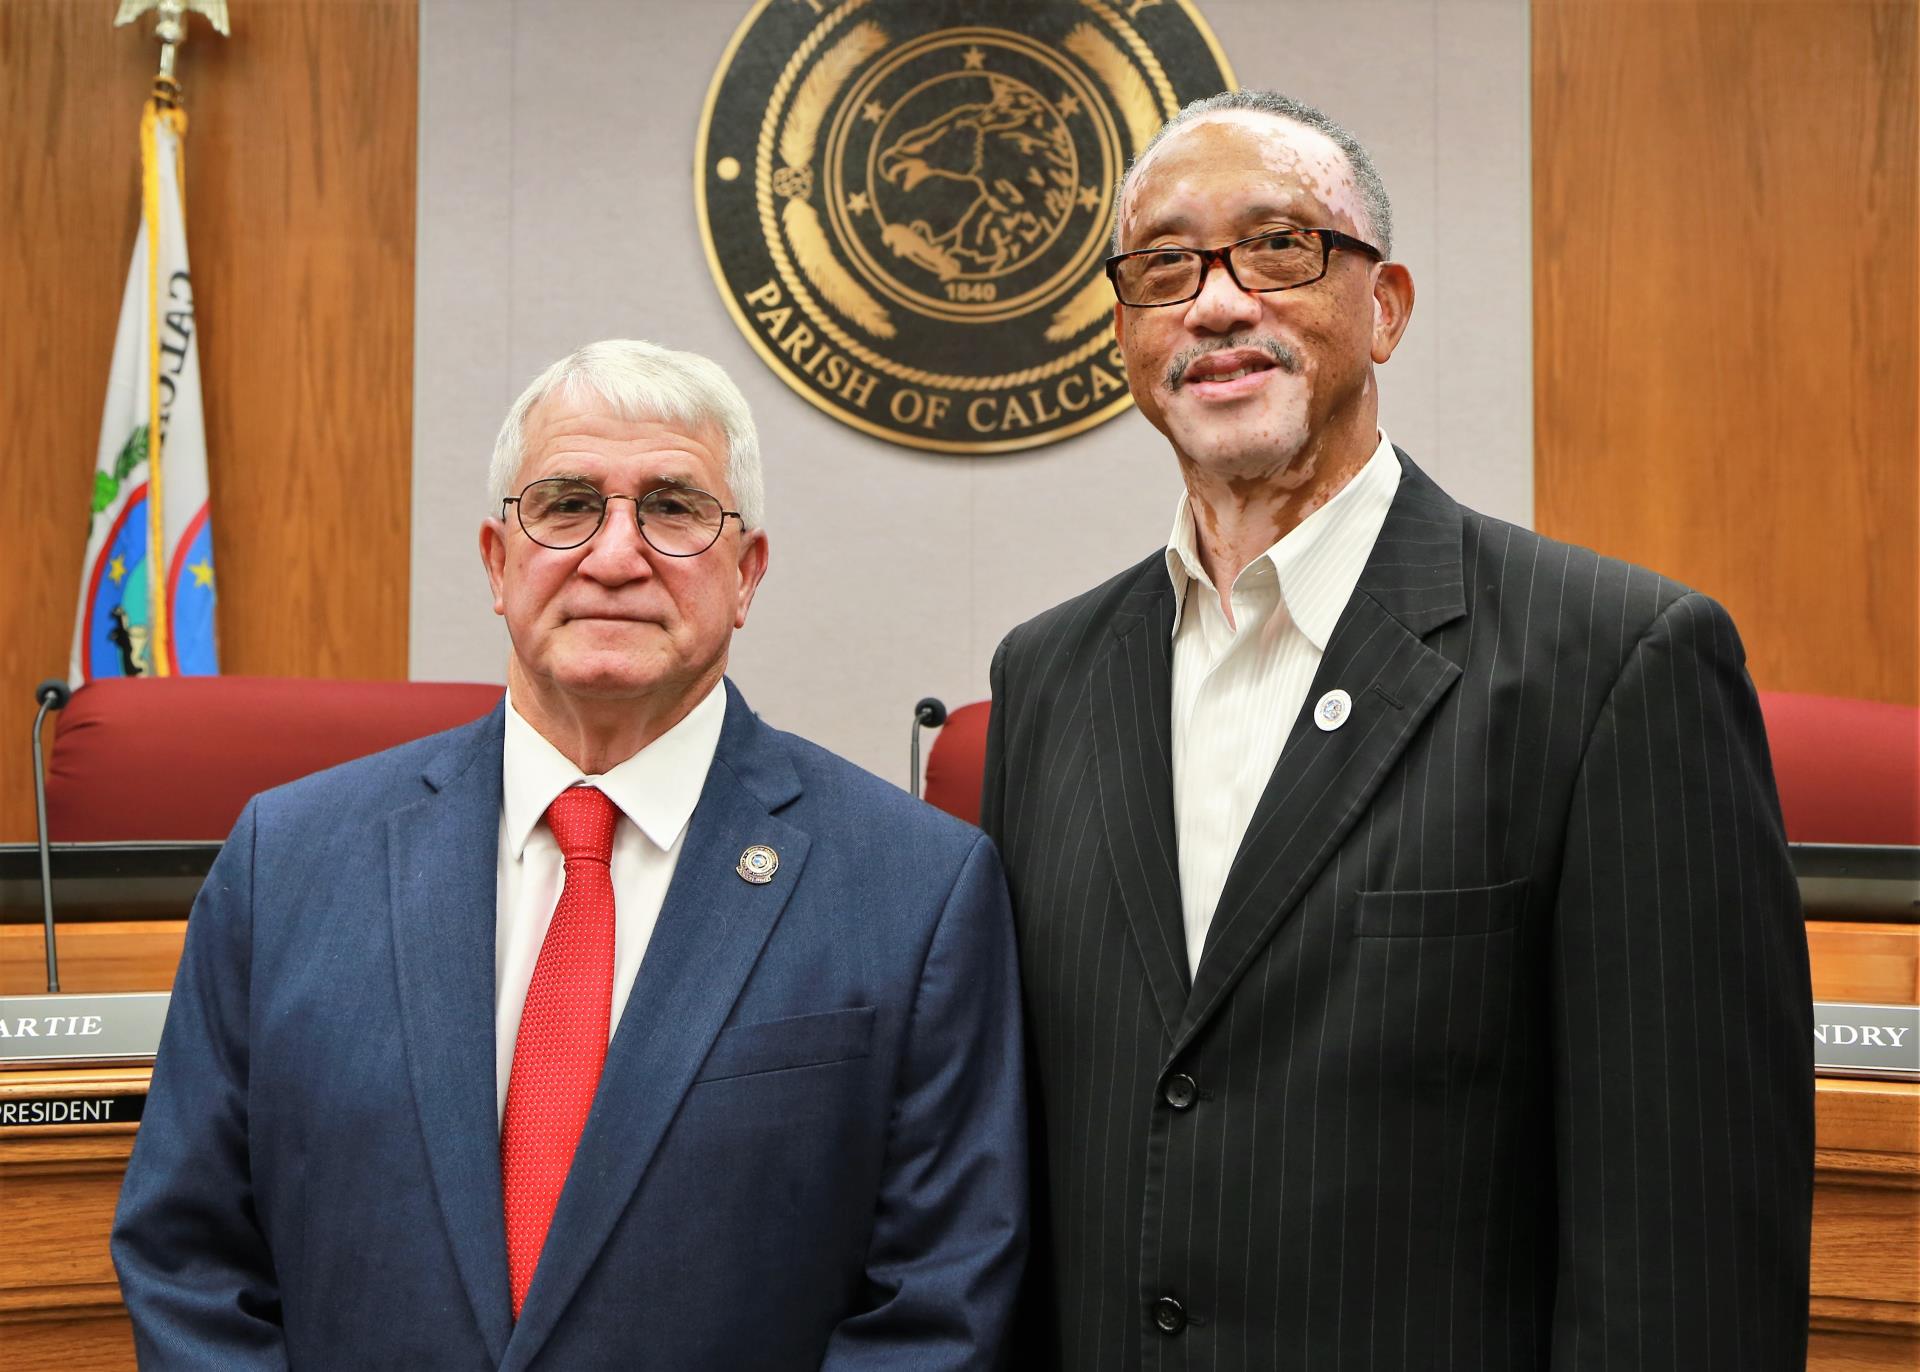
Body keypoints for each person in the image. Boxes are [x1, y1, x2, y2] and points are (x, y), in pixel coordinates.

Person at [982, 90, 1812, 1371]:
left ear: (1386, 307)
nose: (1216, 303)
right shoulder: (1044, 679)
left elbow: (1687, 1243)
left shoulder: (1615, 663)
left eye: (1278, 247)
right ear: (1127, 337)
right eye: (1165, 268)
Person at [113, 339, 1027, 1369]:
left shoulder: (918, 889)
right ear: (499, 562)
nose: (616, 553)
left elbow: (935, 1308)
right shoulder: (285, 859)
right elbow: (187, 1257)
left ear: (747, 573)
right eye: (567, 503)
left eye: (676, 508)